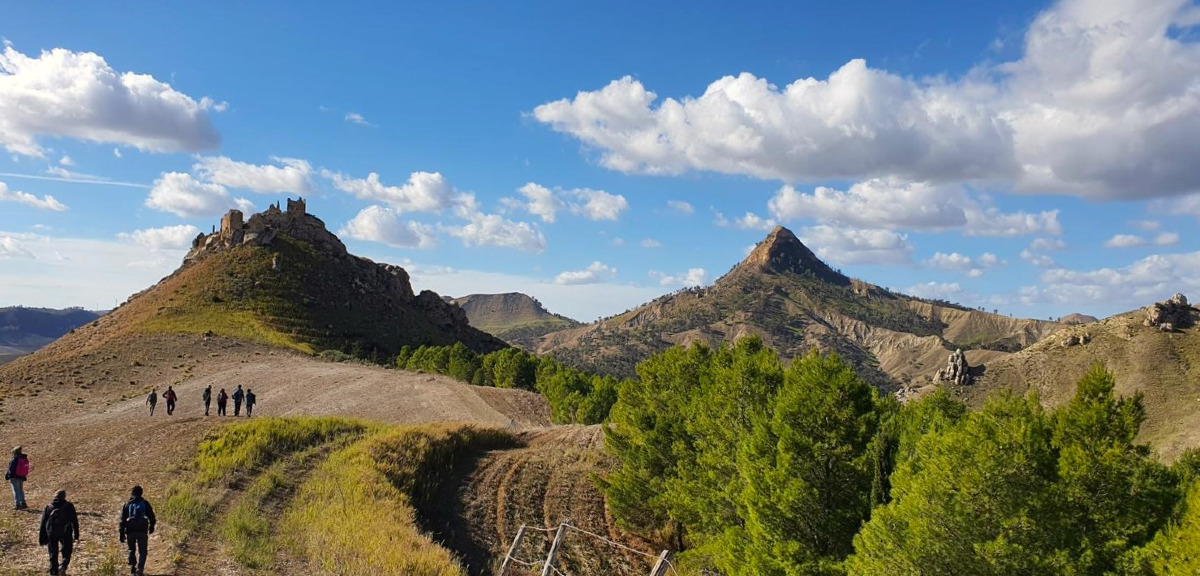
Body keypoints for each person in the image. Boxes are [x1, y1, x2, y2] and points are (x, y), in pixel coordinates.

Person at [39, 489, 79, 576]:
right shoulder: (69, 506)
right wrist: (76, 535)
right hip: (66, 531)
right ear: (64, 496)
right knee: (67, 550)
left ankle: (54, 571)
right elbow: (74, 521)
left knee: (53, 552)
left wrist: (42, 538)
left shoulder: (48, 507)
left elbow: (43, 522)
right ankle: (63, 566)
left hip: (52, 532)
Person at [119, 485, 156, 576]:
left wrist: (121, 533)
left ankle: (132, 569)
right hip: (142, 530)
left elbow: (122, 520)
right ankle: (140, 568)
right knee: (143, 551)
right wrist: (151, 526)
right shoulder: (145, 503)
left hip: (130, 530)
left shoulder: (127, 504)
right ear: (141, 493)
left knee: (131, 549)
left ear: (132, 493)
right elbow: (152, 517)